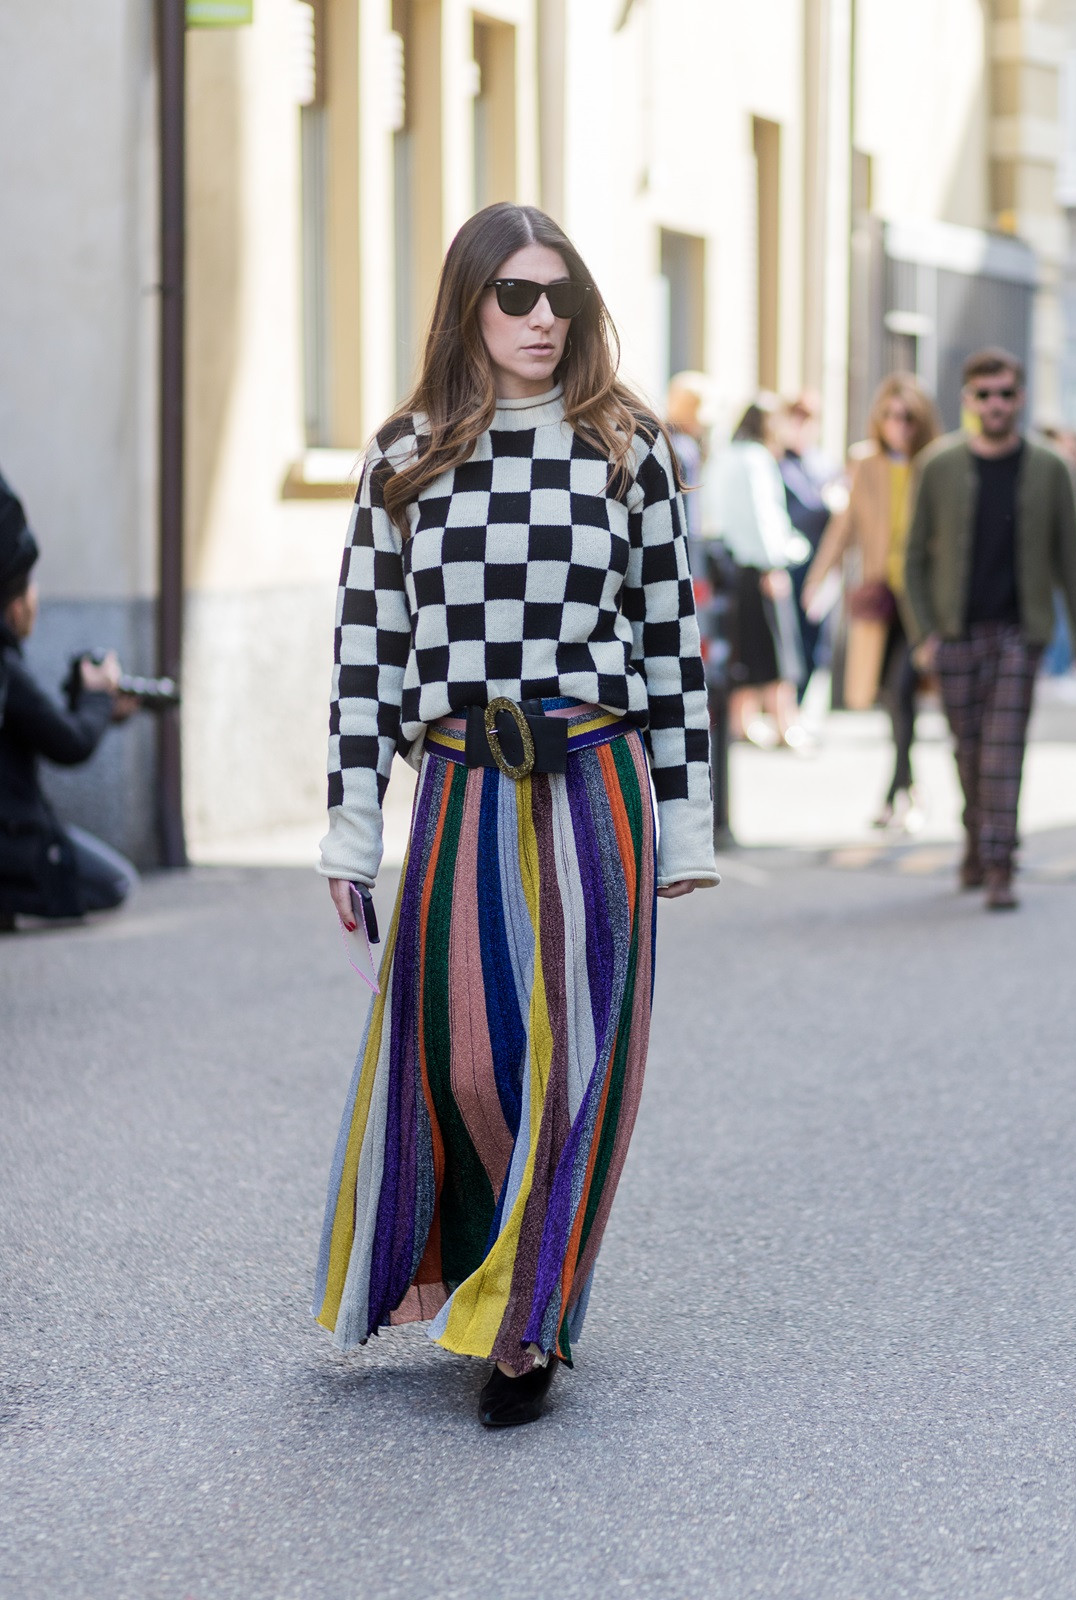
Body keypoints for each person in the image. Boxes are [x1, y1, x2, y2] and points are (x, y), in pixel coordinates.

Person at [313, 202, 718, 1428]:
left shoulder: (628, 447)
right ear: (468, 305)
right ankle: (493, 1274)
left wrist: (687, 823)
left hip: (596, 782)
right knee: (473, 1065)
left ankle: (527, 1325)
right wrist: (349, 831)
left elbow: (670, 646)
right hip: (459, 789)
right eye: (516, 295)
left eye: (561, 296)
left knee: (579, 1065)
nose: (543, 318)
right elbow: (365, 657)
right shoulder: (404, 455)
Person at [904, 347, 1076, 911]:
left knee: (1003, 753)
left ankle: (999, 864)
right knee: (968, 750)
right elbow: (912, 557)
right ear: (968, 400)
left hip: (1019, 632)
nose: (995, 404)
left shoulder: (1051, 467)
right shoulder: (938, 465)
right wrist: (924, 633)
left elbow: (1073, 558)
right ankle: (976, 835)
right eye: (984, 395)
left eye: (1006, 394)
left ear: (1021, 398)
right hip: (955, 633)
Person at [0, 470, 139, 927]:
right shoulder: (6, 666)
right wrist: (98, 696)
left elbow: (40, 724)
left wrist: (102, 708)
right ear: (15, 604)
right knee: (117, 882)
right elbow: (68, 742)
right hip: (15, 840)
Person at [803, 374, 941, 828]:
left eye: (908, 417)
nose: (898, 425)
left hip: (923, 602)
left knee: (902, 691)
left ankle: (895, 794)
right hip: (881, 601)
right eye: (890, 416)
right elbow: (844, 528)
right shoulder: (865, 462)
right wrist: (819, 579)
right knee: (892, 697)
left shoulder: (935, 463)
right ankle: (907, 789)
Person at [704, 397, 808, 748]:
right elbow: (765, 516)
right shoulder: (757, 458)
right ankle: (785, 724)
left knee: (744, 650)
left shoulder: (724, 456)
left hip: (730, 565)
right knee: (778, 650)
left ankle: (743, 723)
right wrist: (774, 562)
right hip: (761, 567)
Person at [777, 392, 834, 694]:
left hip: (820, 564)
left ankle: (801, 702)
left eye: (807, 421)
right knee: (790, 639)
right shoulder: (776, 461)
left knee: (816, 639)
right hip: (789, 565)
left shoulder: (823, 463)